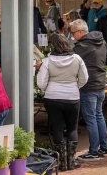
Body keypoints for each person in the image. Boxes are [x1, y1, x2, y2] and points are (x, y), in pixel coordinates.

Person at [37, 34, 88, 171]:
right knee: (72, 128)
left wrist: (49, 88)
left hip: (52, 97)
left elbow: (41, 83)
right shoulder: (77, 59)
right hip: (72, 96)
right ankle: (71, 161)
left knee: (57, 128)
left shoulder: (47, 61)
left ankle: (61, 163)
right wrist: (75, 86)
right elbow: (84, 78)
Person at [70, 19, 107, 161]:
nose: (72, 36)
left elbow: (71, 64)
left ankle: (93, 151)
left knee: (91, 118)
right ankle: (104, 148)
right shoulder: (102, 42)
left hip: (88, 86)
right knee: (98, 115)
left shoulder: (81, 47)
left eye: (73, 33)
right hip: (100, 84)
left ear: (81, 32)